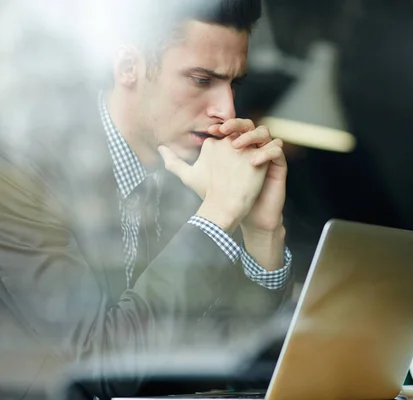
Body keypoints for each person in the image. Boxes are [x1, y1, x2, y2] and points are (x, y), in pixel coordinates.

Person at [0, 0, 292, 398]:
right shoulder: (21, 178)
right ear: (128, 68)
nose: (227, 109)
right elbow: (97, 369)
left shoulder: (197, 179)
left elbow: (242, 354)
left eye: (233, 84)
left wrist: (262, 231)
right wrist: (217, 216)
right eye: (202, 80)